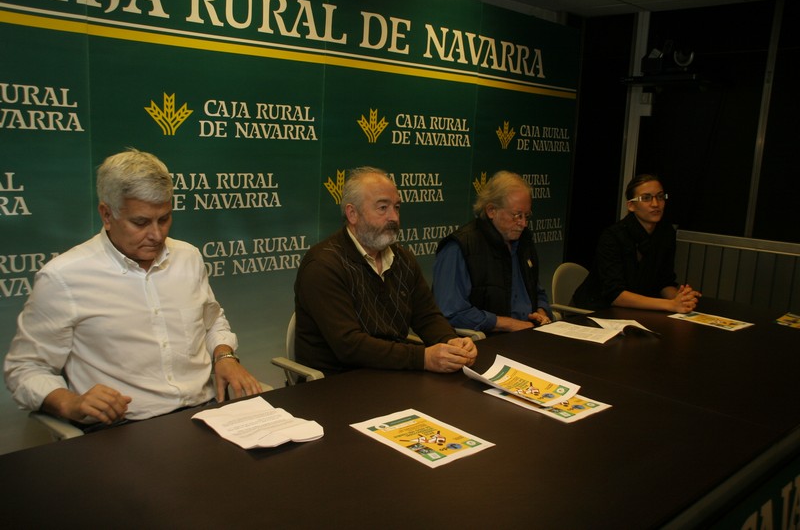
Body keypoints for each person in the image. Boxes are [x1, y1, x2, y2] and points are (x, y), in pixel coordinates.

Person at [4, 149, 261, 430]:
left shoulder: (188, 257)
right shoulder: (63, 277)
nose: (157, 234)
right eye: (140, 222)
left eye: (164, 219)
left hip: (205, 415)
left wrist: (224, 356)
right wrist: (69, 403)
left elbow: (212, 322)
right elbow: (25, 369)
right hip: (122, 430)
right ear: (106, 214)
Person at [293, 166, 477, 376]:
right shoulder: (323, 265)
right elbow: (349, 346)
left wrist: (451, 342)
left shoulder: (402, 258)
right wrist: (422, 358)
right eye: (383, 208)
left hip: (393, 372)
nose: (394, 218)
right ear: (352, 214)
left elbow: (427, 316)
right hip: (338, 384)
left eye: (397, 207)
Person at [432, 171, 553, 333]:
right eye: (517, 215)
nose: (523, 223)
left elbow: (537, 291)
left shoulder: (524, 241)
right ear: (491, 211)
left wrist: (541, 311)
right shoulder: (460, 247)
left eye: (526, 216)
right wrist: (507, 324)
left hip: (529, 333)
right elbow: (450, 312)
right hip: (485, 342)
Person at [572, 173, 700, 313]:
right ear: (631, 205)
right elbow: (615, 295)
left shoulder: (666, 233)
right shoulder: (613, 236)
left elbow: (664, 282)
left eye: (660, 196)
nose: (655, 204)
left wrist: (680, 298)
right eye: (646, 198)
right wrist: (670, 305)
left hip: (638, 311)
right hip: (597, 310)